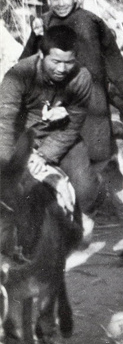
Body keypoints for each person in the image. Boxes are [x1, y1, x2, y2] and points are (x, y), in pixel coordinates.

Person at [40, 0, 123, 212]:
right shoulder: (44, 22)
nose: (61, 3)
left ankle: (91, 198)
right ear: (49, 0)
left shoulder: (90, 21)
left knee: (93, 149)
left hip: (91, 95)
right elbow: (32, 56)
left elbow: (112, 52)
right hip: (57, 93)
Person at [0, 25, 92, 261]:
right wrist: (12, 164)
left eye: (69, 62)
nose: (62, 69)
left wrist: (44, 155)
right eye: (56, 61)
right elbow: (5, 123)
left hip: (60, 135)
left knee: (85, 188)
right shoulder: (18, 75)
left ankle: (68, 230)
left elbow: (74, 124)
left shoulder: (82, 78)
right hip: (21, 139)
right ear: (41, 55)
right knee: (15, 191)